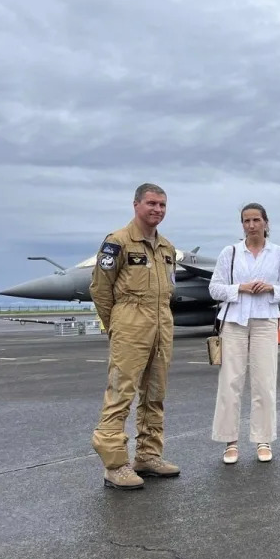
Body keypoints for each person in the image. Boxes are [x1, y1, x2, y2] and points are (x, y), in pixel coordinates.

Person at [89, 183, 180, 490]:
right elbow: (101, 289)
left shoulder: (167, 248)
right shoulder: (118, 242)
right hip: (131, 323)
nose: (157, 209)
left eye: (162, 205)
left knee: (155, 393)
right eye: (152, 203)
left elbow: (168, 288)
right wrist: (117, 325)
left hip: (161, 324)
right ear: (136, 205)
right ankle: (115, 465)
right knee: (121, 395)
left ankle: (148, 456)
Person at [209, 203, 280, 464]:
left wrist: (271, 289)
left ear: (266, 222)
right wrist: (240, 288)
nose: (251, 225)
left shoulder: (279, 253)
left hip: (265, 321)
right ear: (242, 224)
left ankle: (263, 439)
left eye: (256, 220)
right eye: (246, 221)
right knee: (230, 382)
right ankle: (230, 442)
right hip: (234, 322)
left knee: (264, 383)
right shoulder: (231, 252)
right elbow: (215, 289)